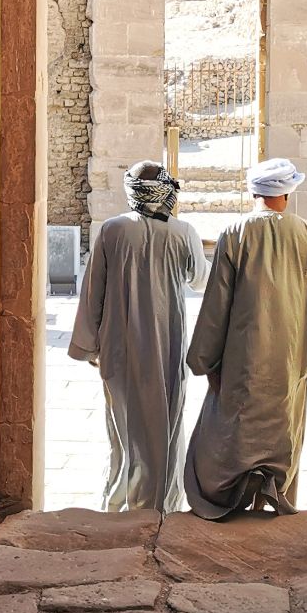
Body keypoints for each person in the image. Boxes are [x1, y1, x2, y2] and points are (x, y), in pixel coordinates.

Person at [183, 157, 307, 519]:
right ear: (287, 193)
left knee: (236, 431)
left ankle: (233, 498)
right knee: (283, 429)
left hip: (243, 358)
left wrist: (203, 360)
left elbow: (216, 304)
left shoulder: (235, 233)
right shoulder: (306, 233)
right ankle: (275, 495)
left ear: (254, 192)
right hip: (289, 357)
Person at [68, 161, 207, 512]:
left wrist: (89, 345)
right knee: (167, 425)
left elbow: (93, 291)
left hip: (119, 345)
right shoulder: (183, 232)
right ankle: (163, 505)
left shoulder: (112, 230)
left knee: (123, 430)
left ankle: (121, 504)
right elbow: (200, 279)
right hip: (166, 345)